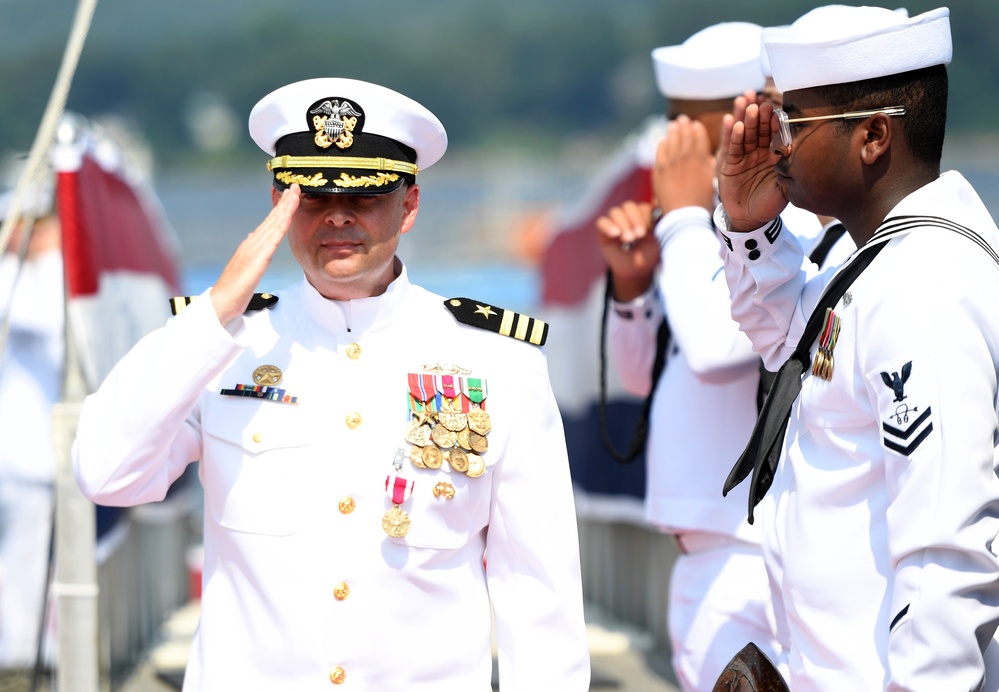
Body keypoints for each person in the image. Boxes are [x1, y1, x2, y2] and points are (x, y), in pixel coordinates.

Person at [72, 77, 590, 690]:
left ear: (410, 204)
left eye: (365, 196)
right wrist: (211, 315)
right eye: (312, 197)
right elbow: (105, 474)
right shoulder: (220, 346)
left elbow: (537, 589)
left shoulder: (495, 360)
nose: (338, 216)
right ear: (278, 203)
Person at [714, 6, 999, 690]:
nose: (775, 145)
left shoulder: (923, 284)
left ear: (872, 136)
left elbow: (945, 556)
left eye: (792, 122)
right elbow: (788, 338)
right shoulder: (874, 260)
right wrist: (749, 227)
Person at [594, 22, 787, 691]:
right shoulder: (701, 230)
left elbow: (714, 349)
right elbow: (639, 376)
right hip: (702, 544)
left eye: (686, 123)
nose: (671, 140)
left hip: (752, 549)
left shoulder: (787, 227)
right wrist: (629, 290)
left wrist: (679, 223)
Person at [0, 183, 63, 672]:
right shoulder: (15, 278)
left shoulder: (39, 276)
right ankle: (19, 657)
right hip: (20, 454)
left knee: (32, 562)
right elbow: (45, 318)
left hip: (30, 453)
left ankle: (26, 653)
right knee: (22, 563)